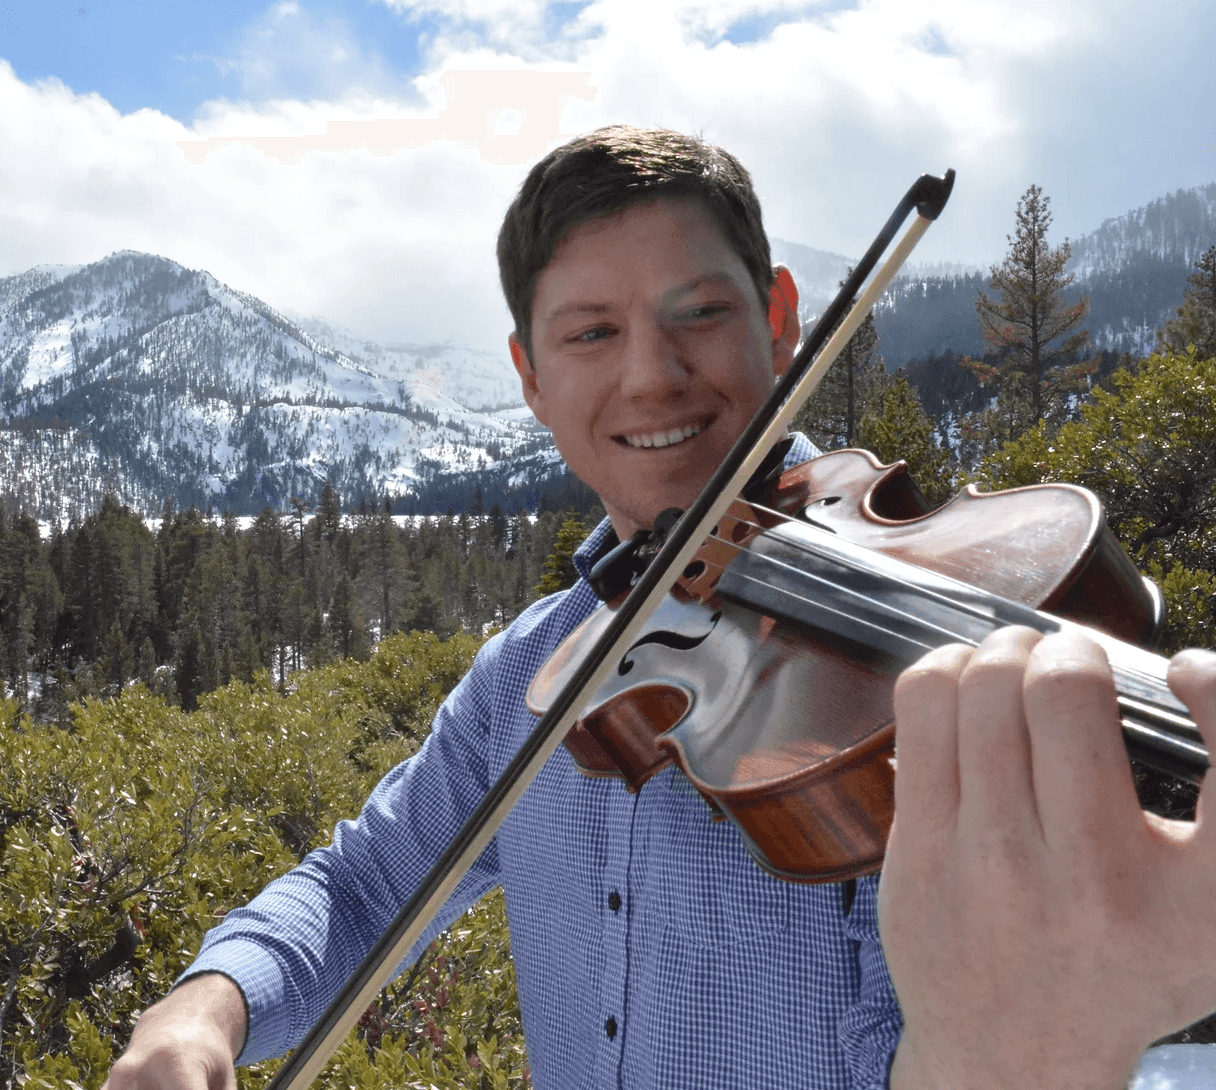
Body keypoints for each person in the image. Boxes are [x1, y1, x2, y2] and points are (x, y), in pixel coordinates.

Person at [104, 126, 1216, 1090]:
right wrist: (207, 1003)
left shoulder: (925, 692)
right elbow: (364, 882)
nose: (650, 376)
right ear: (530, 374)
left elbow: (939, 1051)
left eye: (699, 312)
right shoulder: (531, 674)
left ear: (779, 319)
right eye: (590, 333)